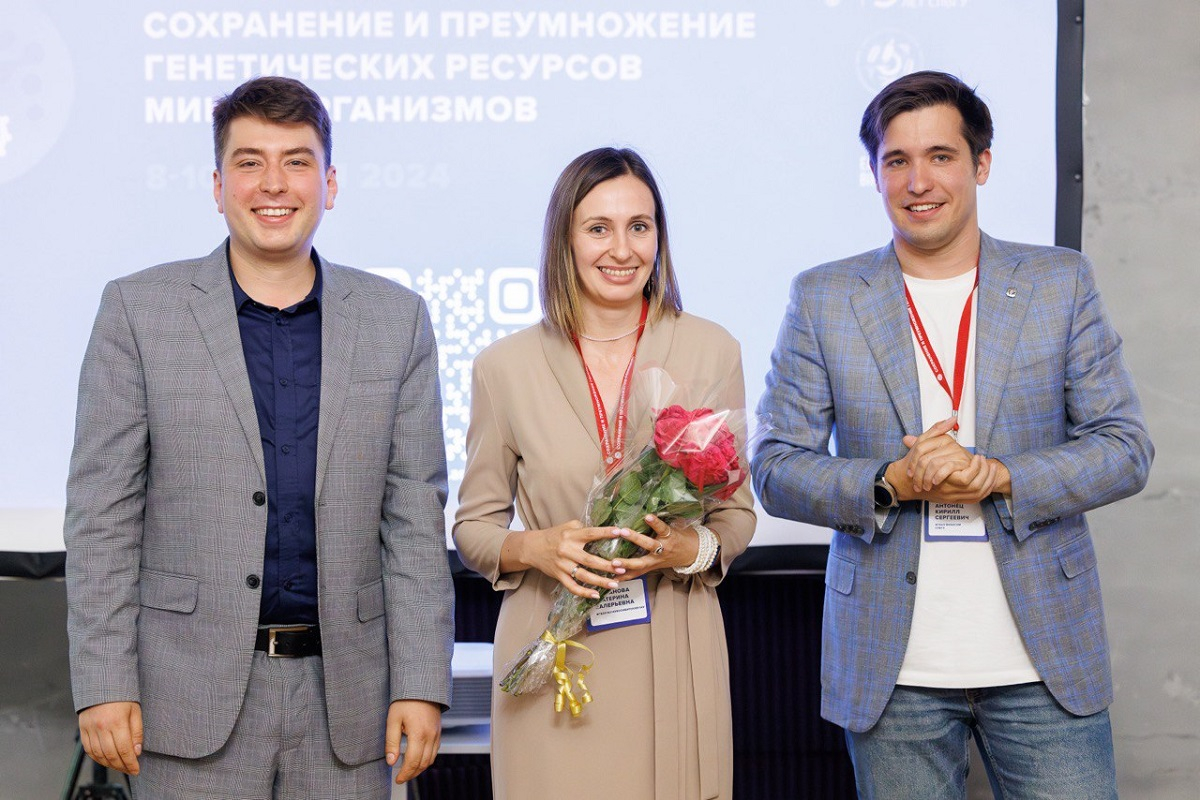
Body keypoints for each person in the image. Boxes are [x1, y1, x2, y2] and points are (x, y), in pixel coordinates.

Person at [752, 71, 1153, 799]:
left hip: (1043, 661)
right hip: (892, 668)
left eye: (940, 155)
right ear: (874, 173)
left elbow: (1124, 448)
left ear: (982, 163)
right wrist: (886, 482)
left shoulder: (1058, 283)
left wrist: (999, 476)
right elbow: (776, 467)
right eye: (895, 161)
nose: (917, 180)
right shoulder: (825, 296)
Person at [64, 75, 454, 798]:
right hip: (185, 700)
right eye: (249, 161)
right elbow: (102, 520)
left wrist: (422, 681)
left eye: (297, 160)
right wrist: (102, 682)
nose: (274, 183)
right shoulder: (137, 311)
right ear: (217, 185)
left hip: (352, 706)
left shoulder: (397, 319)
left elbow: (413, 522)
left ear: (330, 182)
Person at [453, 147, 755, 799]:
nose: (621, 249)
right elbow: (474, 528)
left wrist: (689, 549)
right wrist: (538, 546)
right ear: (565, 239)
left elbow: (735, 517)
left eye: (639, 227)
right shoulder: (504, 367)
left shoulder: (712, 348)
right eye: (598, 228)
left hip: (673, 642)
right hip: (553, 659)